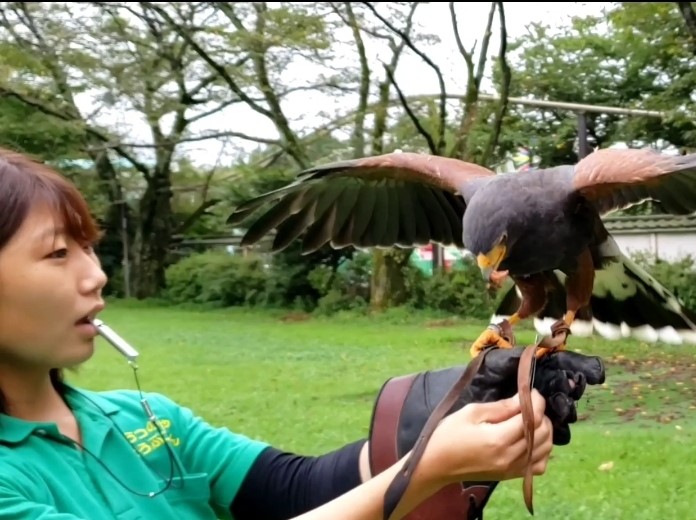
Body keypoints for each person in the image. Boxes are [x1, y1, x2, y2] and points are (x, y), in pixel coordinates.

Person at [0, 146, 605, 520]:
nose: (95, 274)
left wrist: (436, 428)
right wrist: (426, 472)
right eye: (57, 254)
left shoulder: (145, 422)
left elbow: (298, 491)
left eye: (90, 248)